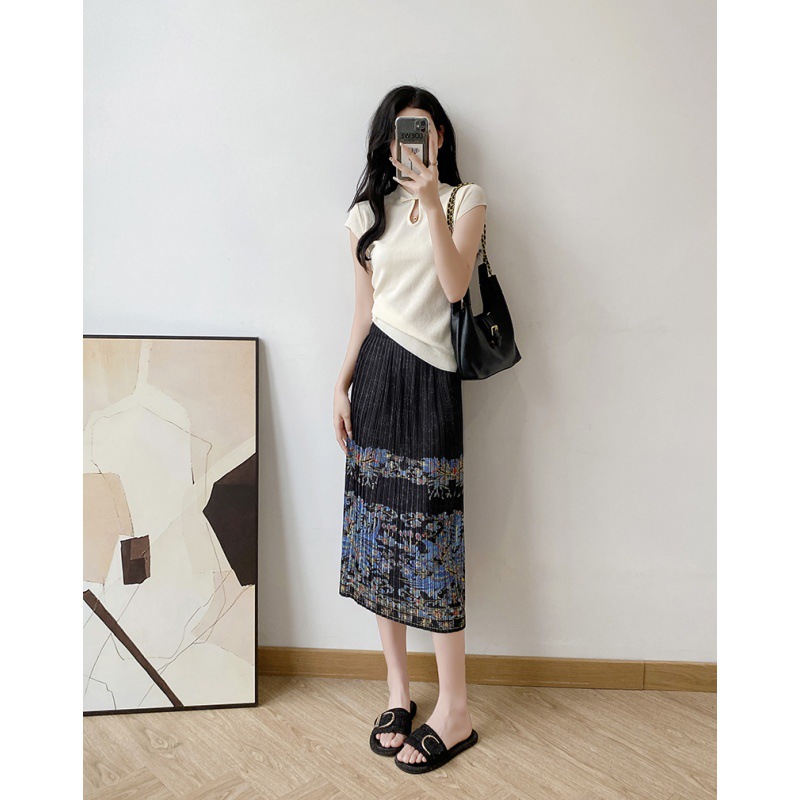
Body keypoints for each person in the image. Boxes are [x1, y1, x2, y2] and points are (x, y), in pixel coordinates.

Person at [333, 86, 486, 774]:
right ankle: (399, 692)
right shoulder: (367, 215)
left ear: (441, 137)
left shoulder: (464, 201)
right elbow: (363, 312)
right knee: (378, 541)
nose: (414, 142)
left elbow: (455, 288)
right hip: (376, 380)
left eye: (424, 129)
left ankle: (455, 710)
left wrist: (429, 199)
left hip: (431, 382)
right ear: (387, 143)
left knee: (433, 546)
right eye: (402, 132)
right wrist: (340, 385)